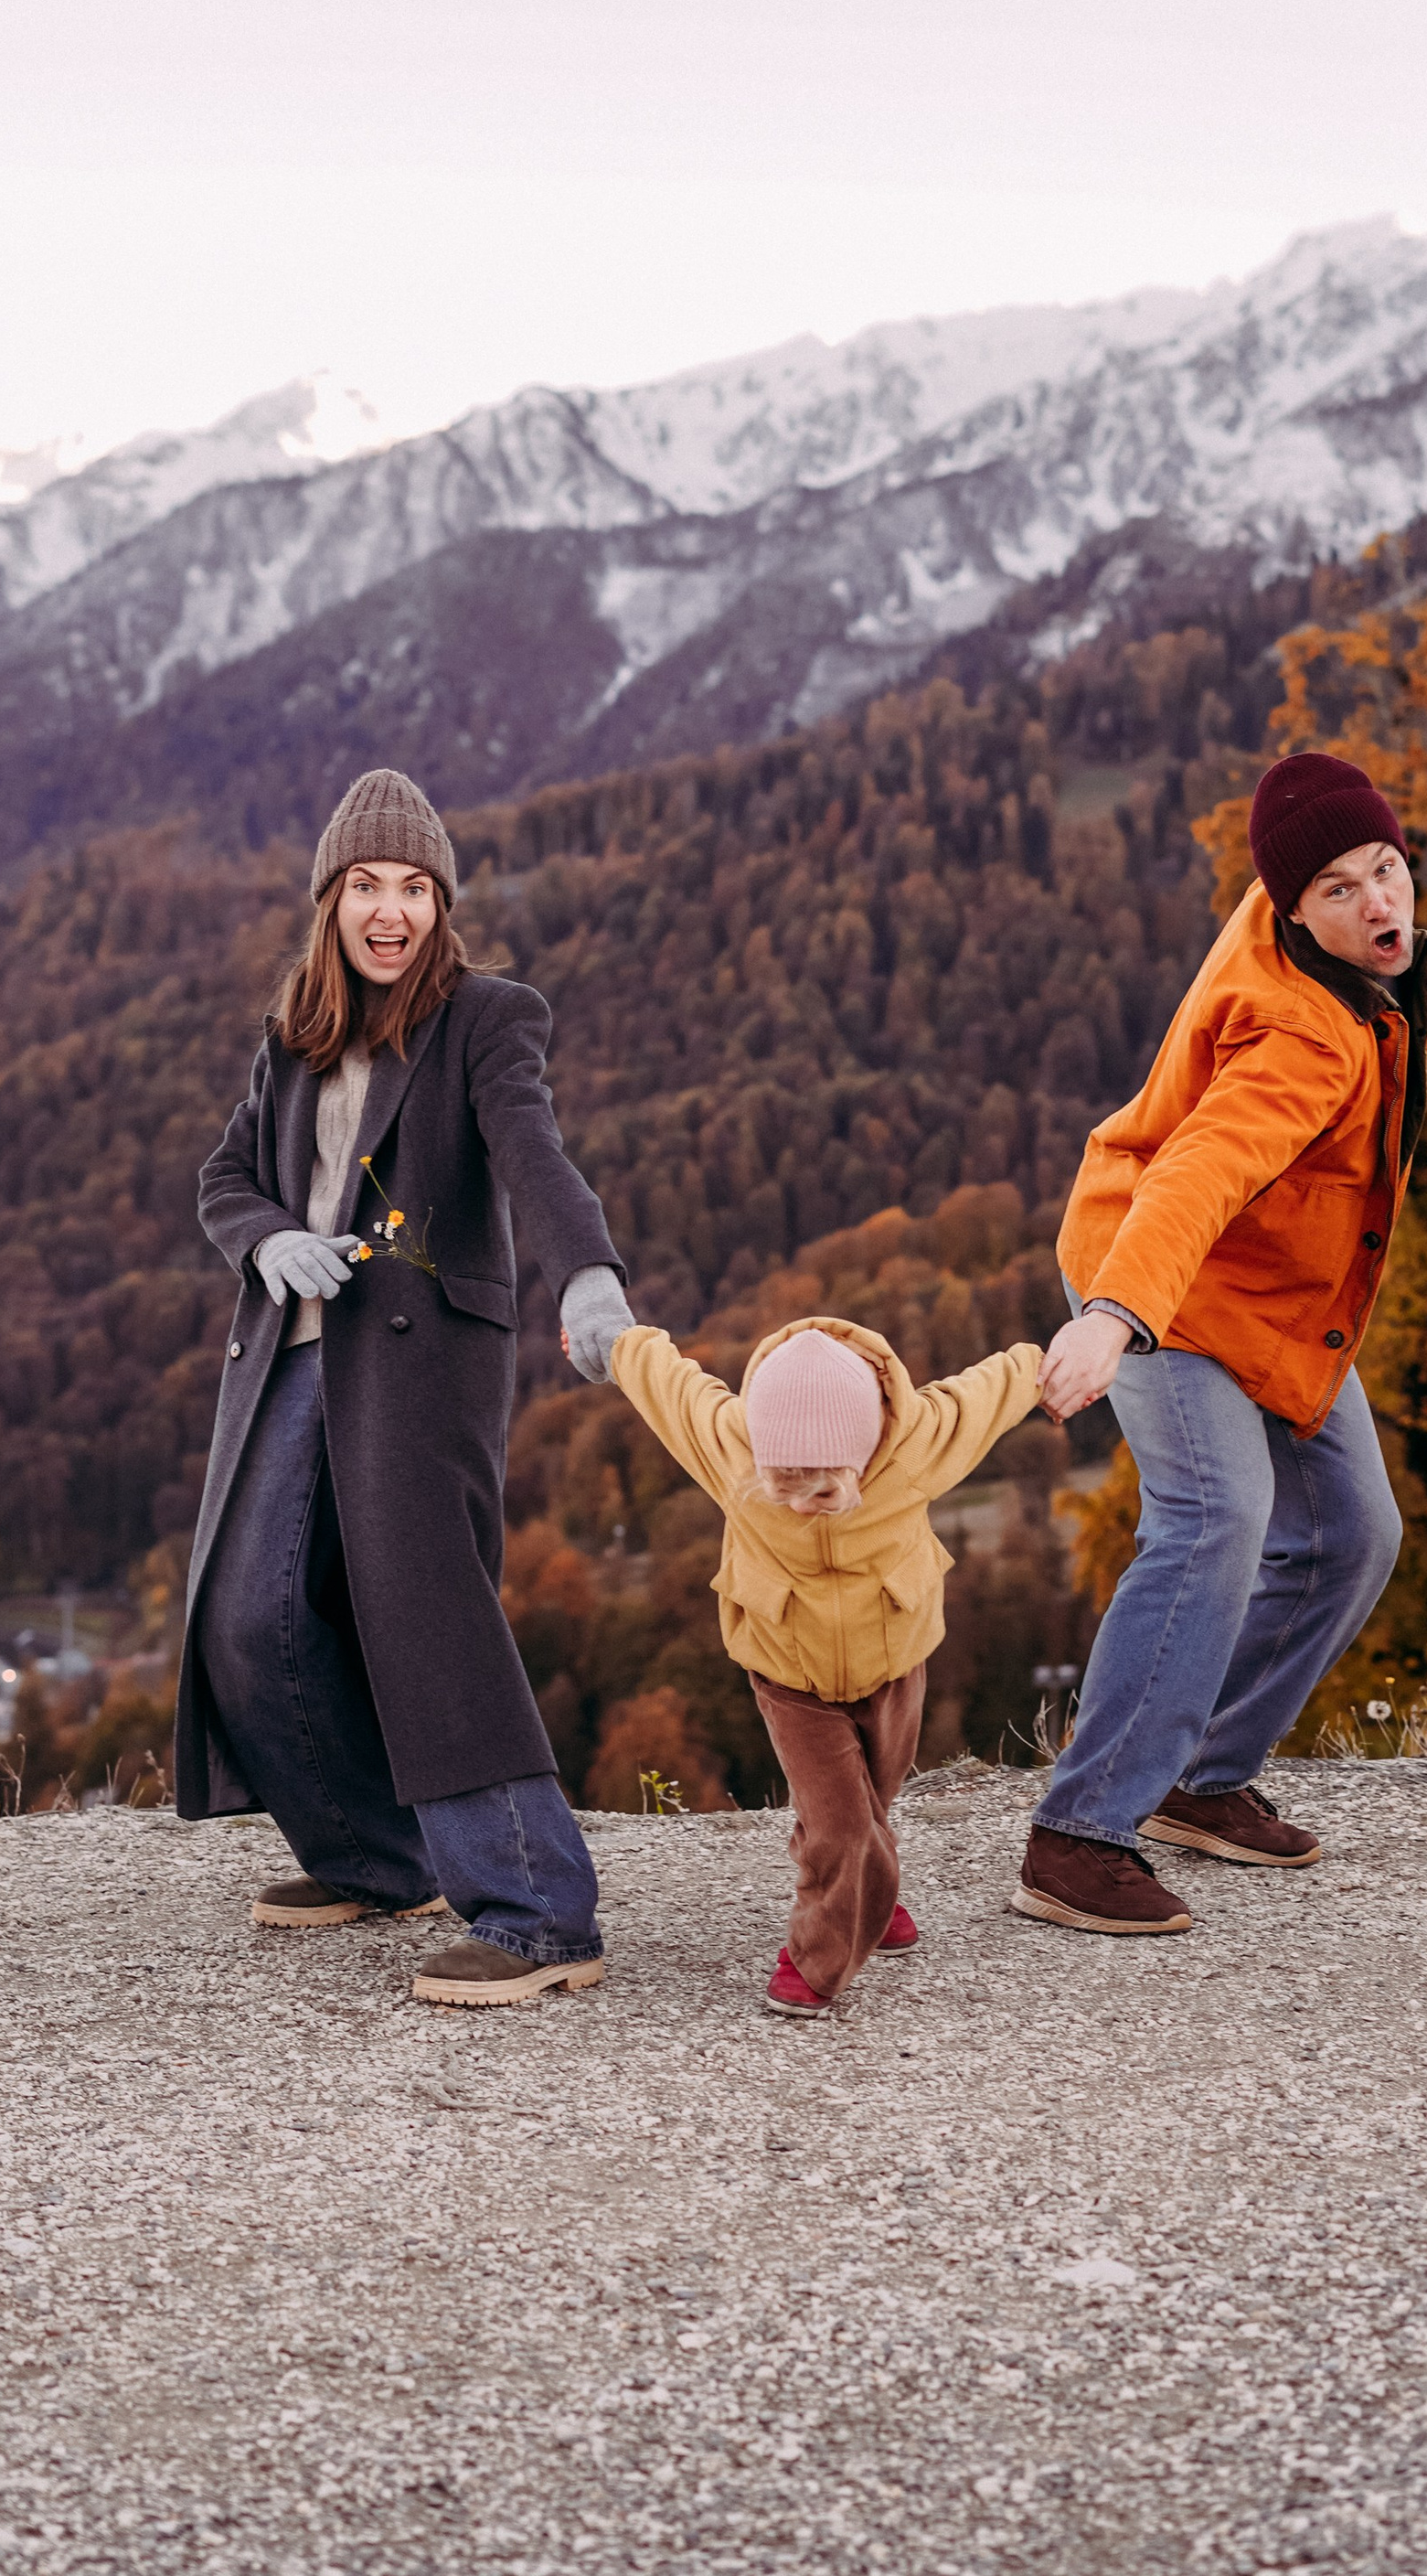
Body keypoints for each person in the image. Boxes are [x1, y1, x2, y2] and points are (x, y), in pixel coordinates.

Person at [176, 768, 637, 2007]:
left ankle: (542, 1916)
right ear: (331, 900)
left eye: (416, 888)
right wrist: (269, 1237)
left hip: (421, 1366)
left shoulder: (488, 1017)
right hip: (295, 1352)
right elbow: (224, 1174)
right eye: (369, 886)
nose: (393, 910)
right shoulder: (293, 1036)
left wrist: (585, 1274)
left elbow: (533, 1151)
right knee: (241, 1615)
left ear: (443, 904)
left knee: (427, 1620)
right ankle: (375, 1859)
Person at [1015, 748, 1427, 1937]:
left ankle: (1200, 1778)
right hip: (1156, 1276)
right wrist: (1115, 1315)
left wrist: (1323, 831)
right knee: (1217, 1517)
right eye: (1344, 891)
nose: (1380, 905)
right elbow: (1200, 1173)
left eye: (1389, 871)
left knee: (1356, 1532)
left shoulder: (1310, 914)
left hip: (1268, 1296)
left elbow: (1310, 824)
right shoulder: (1301, 1040)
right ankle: (1080, 1835)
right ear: (1294, 912)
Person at [610, 1314, 1044, 2014]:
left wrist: (1047, 1370)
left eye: (821, 1491)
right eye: (780, 1487)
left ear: (865, 1453)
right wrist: (615, 1341)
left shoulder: (915, 1443)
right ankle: (816, 1962)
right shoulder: (731, 1446)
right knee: (839, 1823)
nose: (800, 1505)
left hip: (896, 1659)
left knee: (876, 1797)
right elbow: (669, 1388)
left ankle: (874, 1895)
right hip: (789, 1674)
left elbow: (984, 1394)